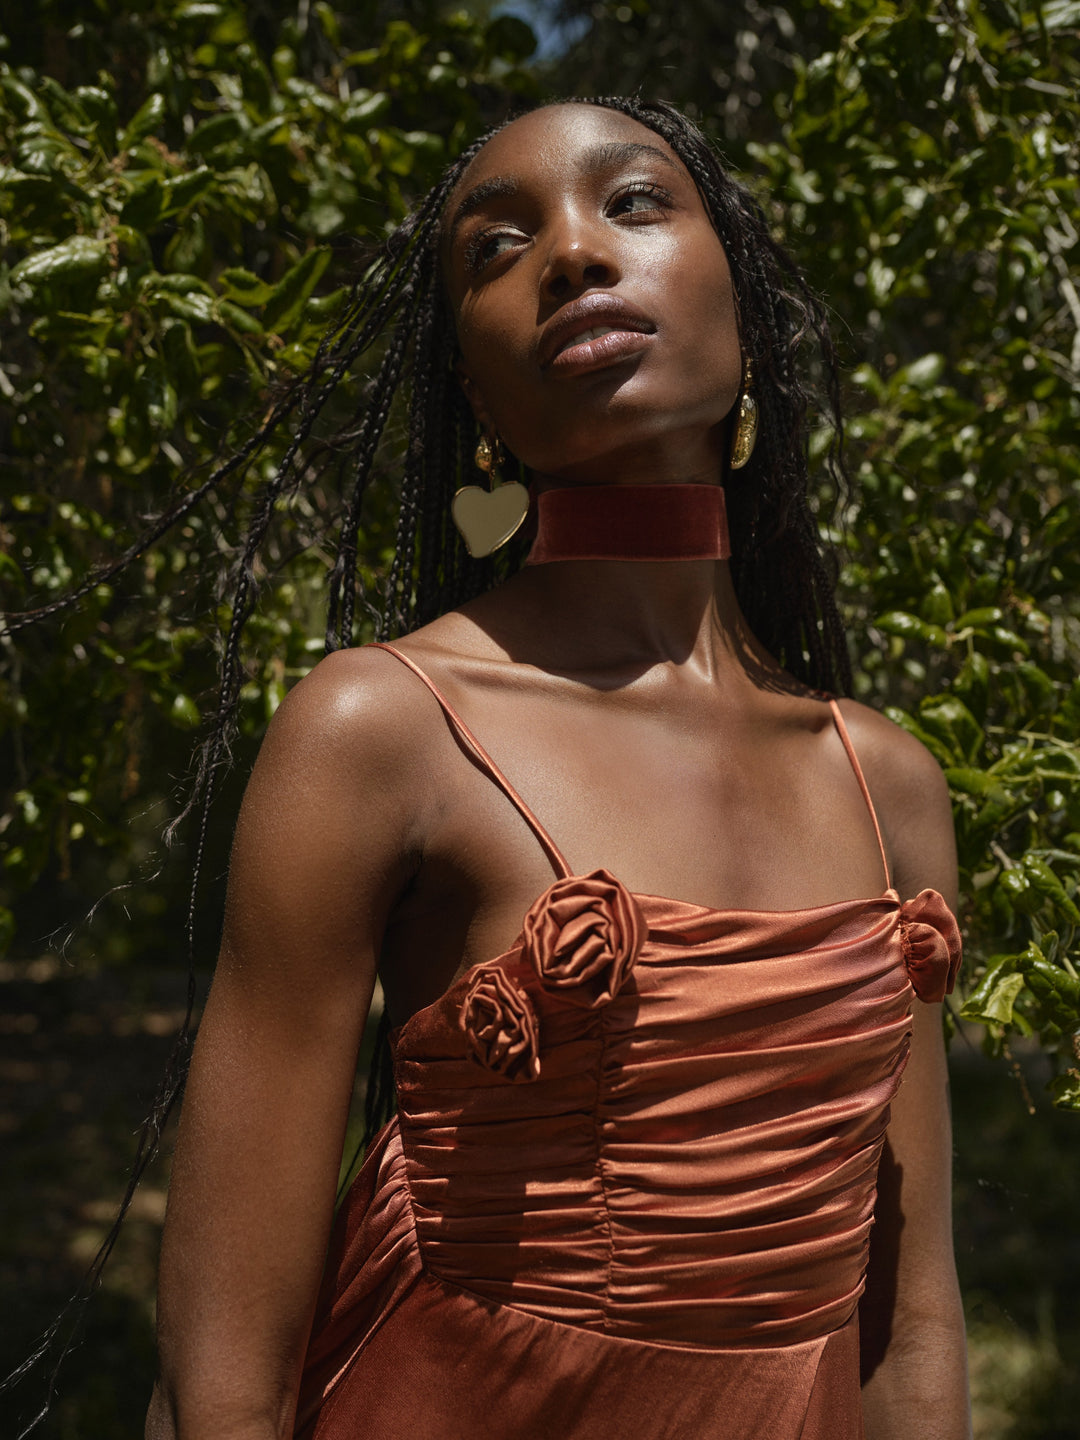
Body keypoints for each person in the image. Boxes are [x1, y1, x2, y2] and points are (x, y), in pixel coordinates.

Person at [143, 98, 970, 1439]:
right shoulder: (380, 729)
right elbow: (218, 1382)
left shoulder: (888, 786)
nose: (574, 254)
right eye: (497, 248)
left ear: (743, 311)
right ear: (476, 395)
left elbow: (914, 1327)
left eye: (634, 204)